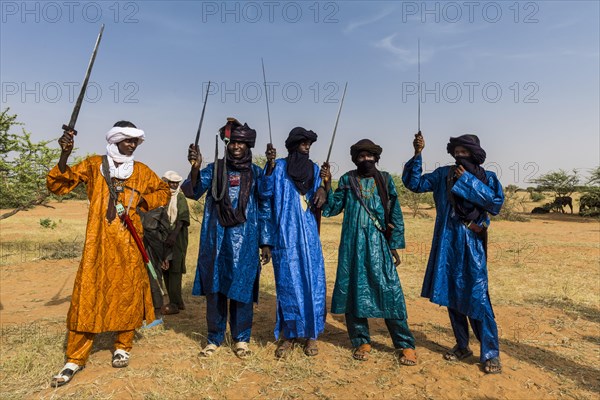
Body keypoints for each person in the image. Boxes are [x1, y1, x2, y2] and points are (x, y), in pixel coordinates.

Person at [48, 121, 170, 387]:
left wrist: (139, 203)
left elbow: (162, 191)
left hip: (128, 244)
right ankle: (75, 358)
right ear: (115, 140)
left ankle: (122, 346)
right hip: (97, 243)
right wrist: (65, 155)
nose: (132, 144)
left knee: (126, 293)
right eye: (127, 139)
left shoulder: (141, 171)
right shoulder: (93, 165)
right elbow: (58, 184)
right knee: (87, 294)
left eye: (135, 140)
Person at [402, 132, 504, 374]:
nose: (459, 156)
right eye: (456, 152)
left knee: (477, 297)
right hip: (447, 244)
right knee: (452, 295)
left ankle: (490, 353)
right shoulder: (443, 175)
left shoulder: (488, 177)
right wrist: (417, 154)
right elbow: (414, 184)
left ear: (474, 154)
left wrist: (468, 181)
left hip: (472, 245)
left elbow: (495, 204)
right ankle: (462, 345)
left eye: (464, 152)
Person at [320, 139, 417, 365]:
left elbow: (396, 215)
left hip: (378, 245)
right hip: (352, 246)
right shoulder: (347, 179)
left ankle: (405, 344)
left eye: (370, 156)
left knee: (389, 291)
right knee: (352, 291)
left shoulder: (384, 180)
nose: (366, 160)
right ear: (355, 159)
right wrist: (327, 184)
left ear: (376, 158)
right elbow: (332, 207)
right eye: (361, 157)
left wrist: (393, 244)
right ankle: (361, 341)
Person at [181, 118, 272, 358]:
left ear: (248, 145)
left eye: (241, 142)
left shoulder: (255, 172)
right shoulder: (214, 169)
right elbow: (191, 191)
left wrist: (265, 242)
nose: (236, 147)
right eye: (232, 142)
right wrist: (195, 166)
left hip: (246, 240)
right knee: (216, 289)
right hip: (216, 239)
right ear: (226, 144)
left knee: (241, 290)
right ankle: (214, 338)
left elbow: (265, 204)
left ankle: (241, 340)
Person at [262, 127, 327, 358]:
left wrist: (323, 187)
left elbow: (322, 204)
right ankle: (289, 336)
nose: (307, 147)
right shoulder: (278, 167)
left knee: (313, 284)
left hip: (309, 237)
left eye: (309, 144)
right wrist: (266, 241)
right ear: (293, 146)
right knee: (288, 286)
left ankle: (311, 335)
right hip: (284, 236)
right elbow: (265, 197)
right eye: (303, 144)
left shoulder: (315, 169)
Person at [160, 170, 190, 315]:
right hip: (164, 237)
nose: (173, 185)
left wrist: (173, 235)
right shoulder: (163, 196)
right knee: (165, 267)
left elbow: (182, 219)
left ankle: (176, 302)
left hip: (177, 238)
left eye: (176, 183)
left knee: (175, 269)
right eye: (171, 182)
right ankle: (175, 301)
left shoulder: (180, 198)